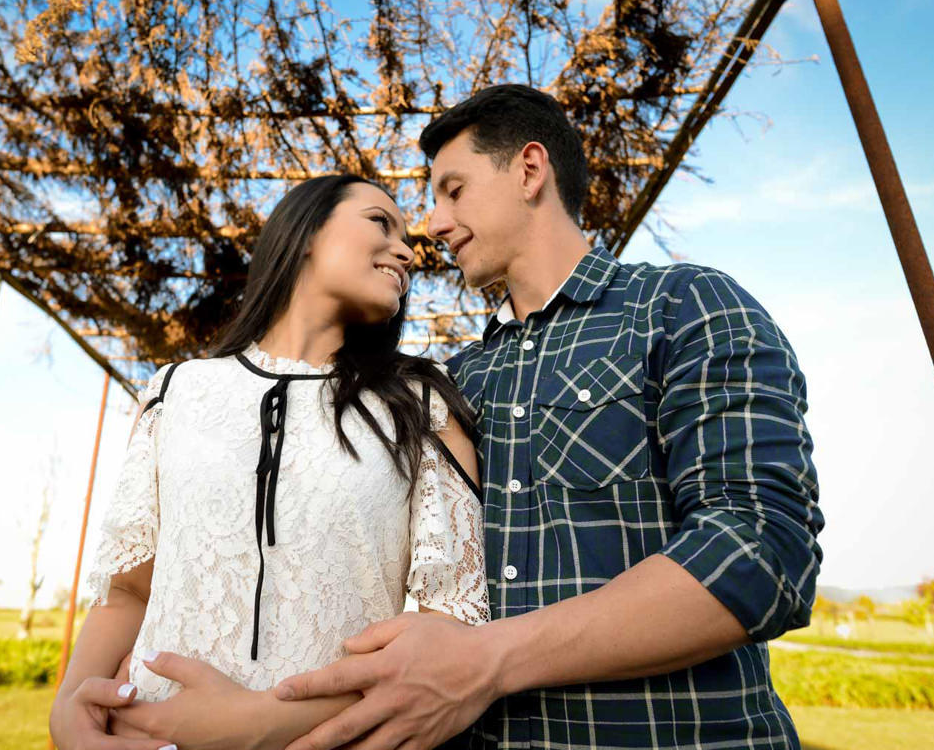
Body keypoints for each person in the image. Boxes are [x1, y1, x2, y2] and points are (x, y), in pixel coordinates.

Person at [266, 84, 826, 750]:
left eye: (453, 190)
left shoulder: (683, 307)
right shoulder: (458, 381)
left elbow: (759, 550)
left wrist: (487, 659)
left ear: (530, 170)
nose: (434, 224)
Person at [49, 174, 490, 750]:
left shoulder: (422, 408)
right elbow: (130, 592)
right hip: (148, 735)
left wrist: (260, 721)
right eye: (381, 222)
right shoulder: (174, 392)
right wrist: (68, 711)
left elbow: (448, 626)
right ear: (306, 232)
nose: (408, 249)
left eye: (407, 237)